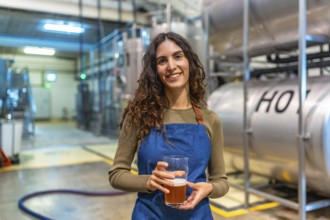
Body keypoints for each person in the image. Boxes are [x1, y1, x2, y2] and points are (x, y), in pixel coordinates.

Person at [109, 32, 229, 219]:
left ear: (189, 61)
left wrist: (210, 188)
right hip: (150, 214)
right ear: (155, 69)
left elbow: (221, 181)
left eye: (178, 56)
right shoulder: (139, 116)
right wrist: (149, 181)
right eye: (162, 61)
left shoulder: (210, 119)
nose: (171, 66)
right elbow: (117, 174)